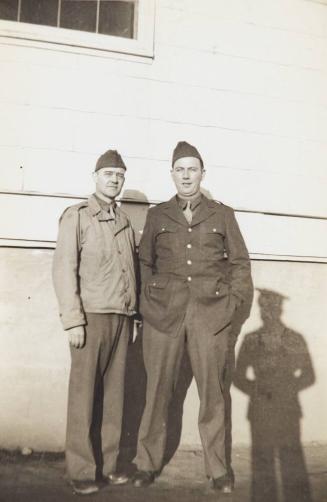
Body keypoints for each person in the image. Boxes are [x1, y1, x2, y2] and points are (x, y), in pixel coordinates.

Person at [133, 141, 252, 493]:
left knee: (213, 395)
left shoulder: (222, 214)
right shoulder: (157, 215)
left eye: (192, 169)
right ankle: (146, 463)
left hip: (210, 315)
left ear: (202, 173)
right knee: (155, 392)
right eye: (180, 169)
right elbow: (144, 263)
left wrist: (231, 307)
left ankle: (218, 469)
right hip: (163, 316)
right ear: (172, 174)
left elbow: (240, 263)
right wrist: (148, 305)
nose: (186, 175)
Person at [52, 149, 137, 495]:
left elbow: (132, 271)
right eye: (108, 174)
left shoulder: (124, 220)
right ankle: (82, 471)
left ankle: (111, 466)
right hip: (90, 319)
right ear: (95, 177)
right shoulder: (77, 216)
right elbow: (63, 269)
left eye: (119, 174)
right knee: (84, 397)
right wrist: (73, 320)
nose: (114, 179)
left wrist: (136, 314)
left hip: (122, 317)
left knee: (115, 398)